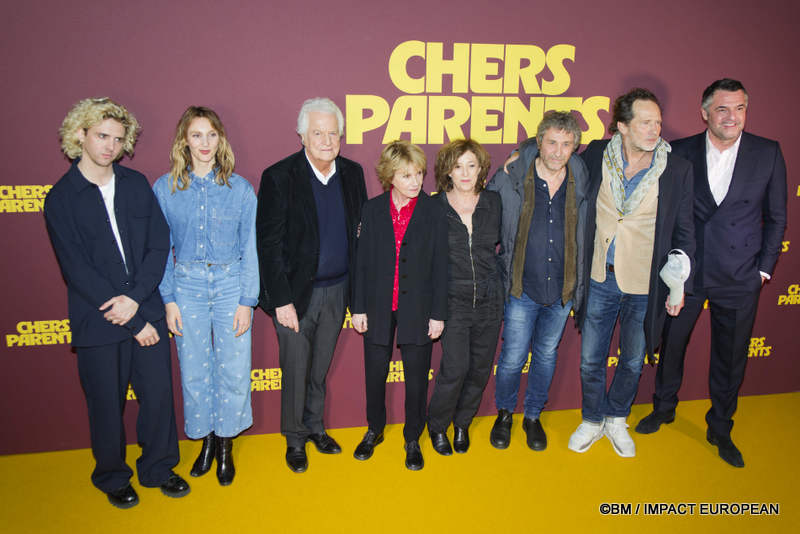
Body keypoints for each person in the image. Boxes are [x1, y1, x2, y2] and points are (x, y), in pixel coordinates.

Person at [44, 97, 189, 508]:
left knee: (159, 397)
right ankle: (112, 477)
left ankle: (159, 467)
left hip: (146, 309)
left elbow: (158, 245)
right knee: (106, 405)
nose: (110, 146)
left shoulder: (137, 184)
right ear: (80, 136)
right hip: (99, 321)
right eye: (102, 136)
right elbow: (77, 269)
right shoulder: (60, 198)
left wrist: (139, 303)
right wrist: (127, 316)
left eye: (118, 139)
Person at [635, 79, 787, 468]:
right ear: (705, 113)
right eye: (722, 109)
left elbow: (777, 216)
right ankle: (664, 407)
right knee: (671, 347)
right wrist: (670, 268)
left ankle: (720, 426)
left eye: (739, 108)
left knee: (730, 356)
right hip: (687, 272)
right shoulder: (679, 152)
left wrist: (764, 272)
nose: (732, 116)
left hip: (740, 276)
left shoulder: (767, 153)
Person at [569, 88, 695, 458]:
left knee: (632, 358)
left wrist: (677, 284)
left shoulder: (677, 168)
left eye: (657, 121)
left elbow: (685, 232)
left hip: (646, 283)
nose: (655, 129)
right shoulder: (595, 154)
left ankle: (616, 418)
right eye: (645, 122)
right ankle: (592, 419)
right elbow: (551, 150)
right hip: (599, 277)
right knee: (591, 358)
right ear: (621, 126)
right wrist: (519, 155)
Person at [256, 97, 367, 473]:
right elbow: (267, 245)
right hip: (295, 296)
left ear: (341, 136)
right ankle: (294, 438)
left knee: (319, 368)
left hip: (338, 291)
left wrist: (359, 295)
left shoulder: (353, 174)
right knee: (296, 369)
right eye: (317, 132)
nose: (325, 139)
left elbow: (359, 236)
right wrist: (281, 300)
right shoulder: (278, 176)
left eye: (332, 133)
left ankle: (316, 428)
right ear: (302, 135)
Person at [153, 106, 258, 485]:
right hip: (187, 286)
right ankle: (206, 441)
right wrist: (168, 299)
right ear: (184, 139)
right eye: (196, 135)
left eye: (211, 135)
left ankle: (227, 443)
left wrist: (248, 300)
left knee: (233, 367)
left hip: (231, 283)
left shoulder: (241, 189)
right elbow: (160, 249)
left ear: (221, 139)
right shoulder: (165, 189)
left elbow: (251, 247)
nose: (204, 143)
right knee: (194, 369)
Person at [486, 111, 588, 451]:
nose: (558, 152)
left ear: (575, 147)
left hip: (562, 290)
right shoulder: (513, 173)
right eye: (551, 142)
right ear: (539, 142)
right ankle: (504, 414)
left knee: (545, 355)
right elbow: (483, 210)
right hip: (521, 287)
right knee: (513, 357)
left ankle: (532, 416)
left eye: (567, 144)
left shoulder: (582, 175)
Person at [351, 140, 448, 471]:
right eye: (406, 175)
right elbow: (361, 263)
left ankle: (412, 438)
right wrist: (358, 307)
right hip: (378, 307)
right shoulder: (372, 209)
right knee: (374, 376)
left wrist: (438, 314)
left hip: (419, 310)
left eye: (419, 173)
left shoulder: (434, 210)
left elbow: (441, 266)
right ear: (390, 175)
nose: (415, 181)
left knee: (417, 381)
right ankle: (374, 430)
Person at [426, 139, 502, 455]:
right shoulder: (434, 206)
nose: (466, 173)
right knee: (455, 368)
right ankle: (438, 426)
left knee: (480, 370)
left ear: (481, 168)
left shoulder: (495, 202)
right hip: (453, 301)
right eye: (458, 166)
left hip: (490, 299)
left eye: (471, 165)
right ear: (448, 171)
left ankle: (462, 423)